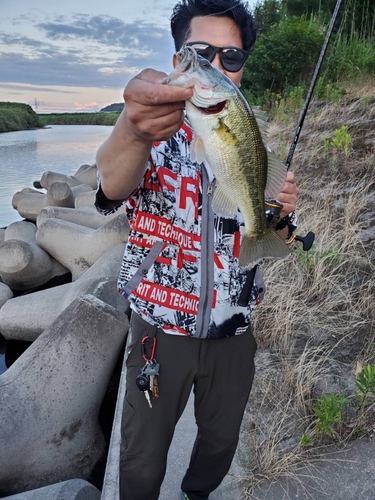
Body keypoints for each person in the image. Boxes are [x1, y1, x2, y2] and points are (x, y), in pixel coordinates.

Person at [95, 1, 299, 499]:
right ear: (176, 56)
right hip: (159, 332)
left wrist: (281, 217)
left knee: (220, 443)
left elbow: (279, 231)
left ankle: (198, 494)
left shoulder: (251, 135)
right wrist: (131, 129)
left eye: (230, 57)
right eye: (200, 52)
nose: (215, 63)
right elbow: (111, 185)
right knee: (141, 462)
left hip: (236, 328)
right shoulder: (153, 131)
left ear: (241, 69)